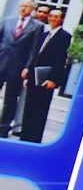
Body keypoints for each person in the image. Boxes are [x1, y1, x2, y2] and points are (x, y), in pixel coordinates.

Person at [17, 8, 70, 143]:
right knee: (29, 108)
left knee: (40, 110)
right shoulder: (44, 34)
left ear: (62, 19)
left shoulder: (64, 36)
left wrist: (53, 79)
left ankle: (34, 139)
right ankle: (25, 137)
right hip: (34, 77)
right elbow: (35, 56)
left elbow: (60, 59)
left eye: (56, 17)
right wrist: (28, 75)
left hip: (47, 79)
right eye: (51, 16)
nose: (52, 18)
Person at [0, 1, 44, 137]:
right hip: (1, 61)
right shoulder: (7, 21)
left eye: (26, 6)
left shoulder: (37, 26)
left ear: (32, 9)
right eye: (21, 6)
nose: (23, 8)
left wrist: (27, 68)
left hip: (18, 67)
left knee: (11, 99)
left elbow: (34, 50)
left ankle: (3, 128)